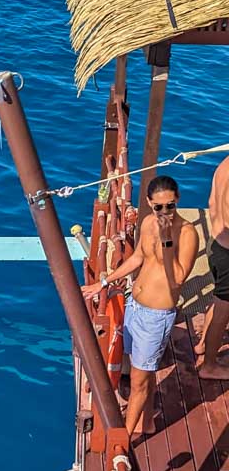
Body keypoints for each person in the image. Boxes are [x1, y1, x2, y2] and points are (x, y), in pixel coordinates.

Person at [82, 175, 198, 435]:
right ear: (149, 203)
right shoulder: (147, 223)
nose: (165, 211)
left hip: (156, 317)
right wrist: (103, 282)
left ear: (178, 199)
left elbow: (177, 278)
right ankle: (147, 421)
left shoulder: (187, 234)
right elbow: (137, 258)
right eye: (159, 207)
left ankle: (122, 441)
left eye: (170, 205)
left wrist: (167, 240)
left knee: (139, 382)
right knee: (139, 372)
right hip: (135, 307)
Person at [194, 153, 229, 379]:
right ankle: (210, 366)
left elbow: (211, 203)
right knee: (223, 311)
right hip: (228, 253)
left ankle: (203, 344)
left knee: (218, 300)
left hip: (215, 244)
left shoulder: (224, 164)